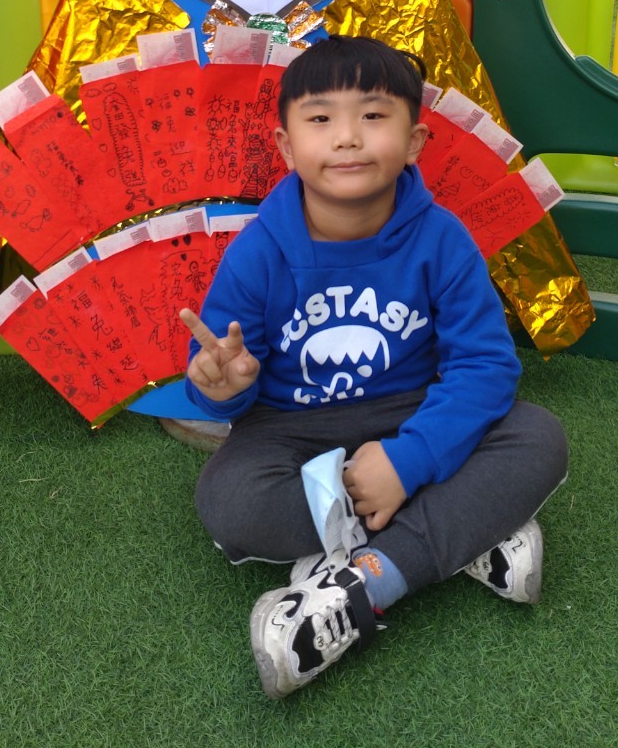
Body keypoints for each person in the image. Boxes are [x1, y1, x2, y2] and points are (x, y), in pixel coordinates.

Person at [182, 35, 568, 698]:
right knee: (231, 504)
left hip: (412, 414)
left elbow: (484, 366)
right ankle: (467, 528)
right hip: (290, 430)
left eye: (372, 114)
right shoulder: (258, 251)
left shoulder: (443, 239)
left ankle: (365, 582)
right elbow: (224, 376)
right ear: (286, 147)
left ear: (414, 142)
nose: (347, 137)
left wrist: (408, 460)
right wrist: (222, 389)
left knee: (538, 437)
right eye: (321, 118)